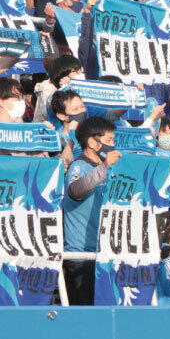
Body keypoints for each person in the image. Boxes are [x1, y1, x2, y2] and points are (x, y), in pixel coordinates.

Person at [63, 116, 120, 304]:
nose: (113, 145)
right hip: (81, 256)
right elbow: (75, 190)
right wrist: (104, 167)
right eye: (109, 140)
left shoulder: (111, 170)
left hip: (105, 254)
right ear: (92, 142)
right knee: (83, 314)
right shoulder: (79, 166)